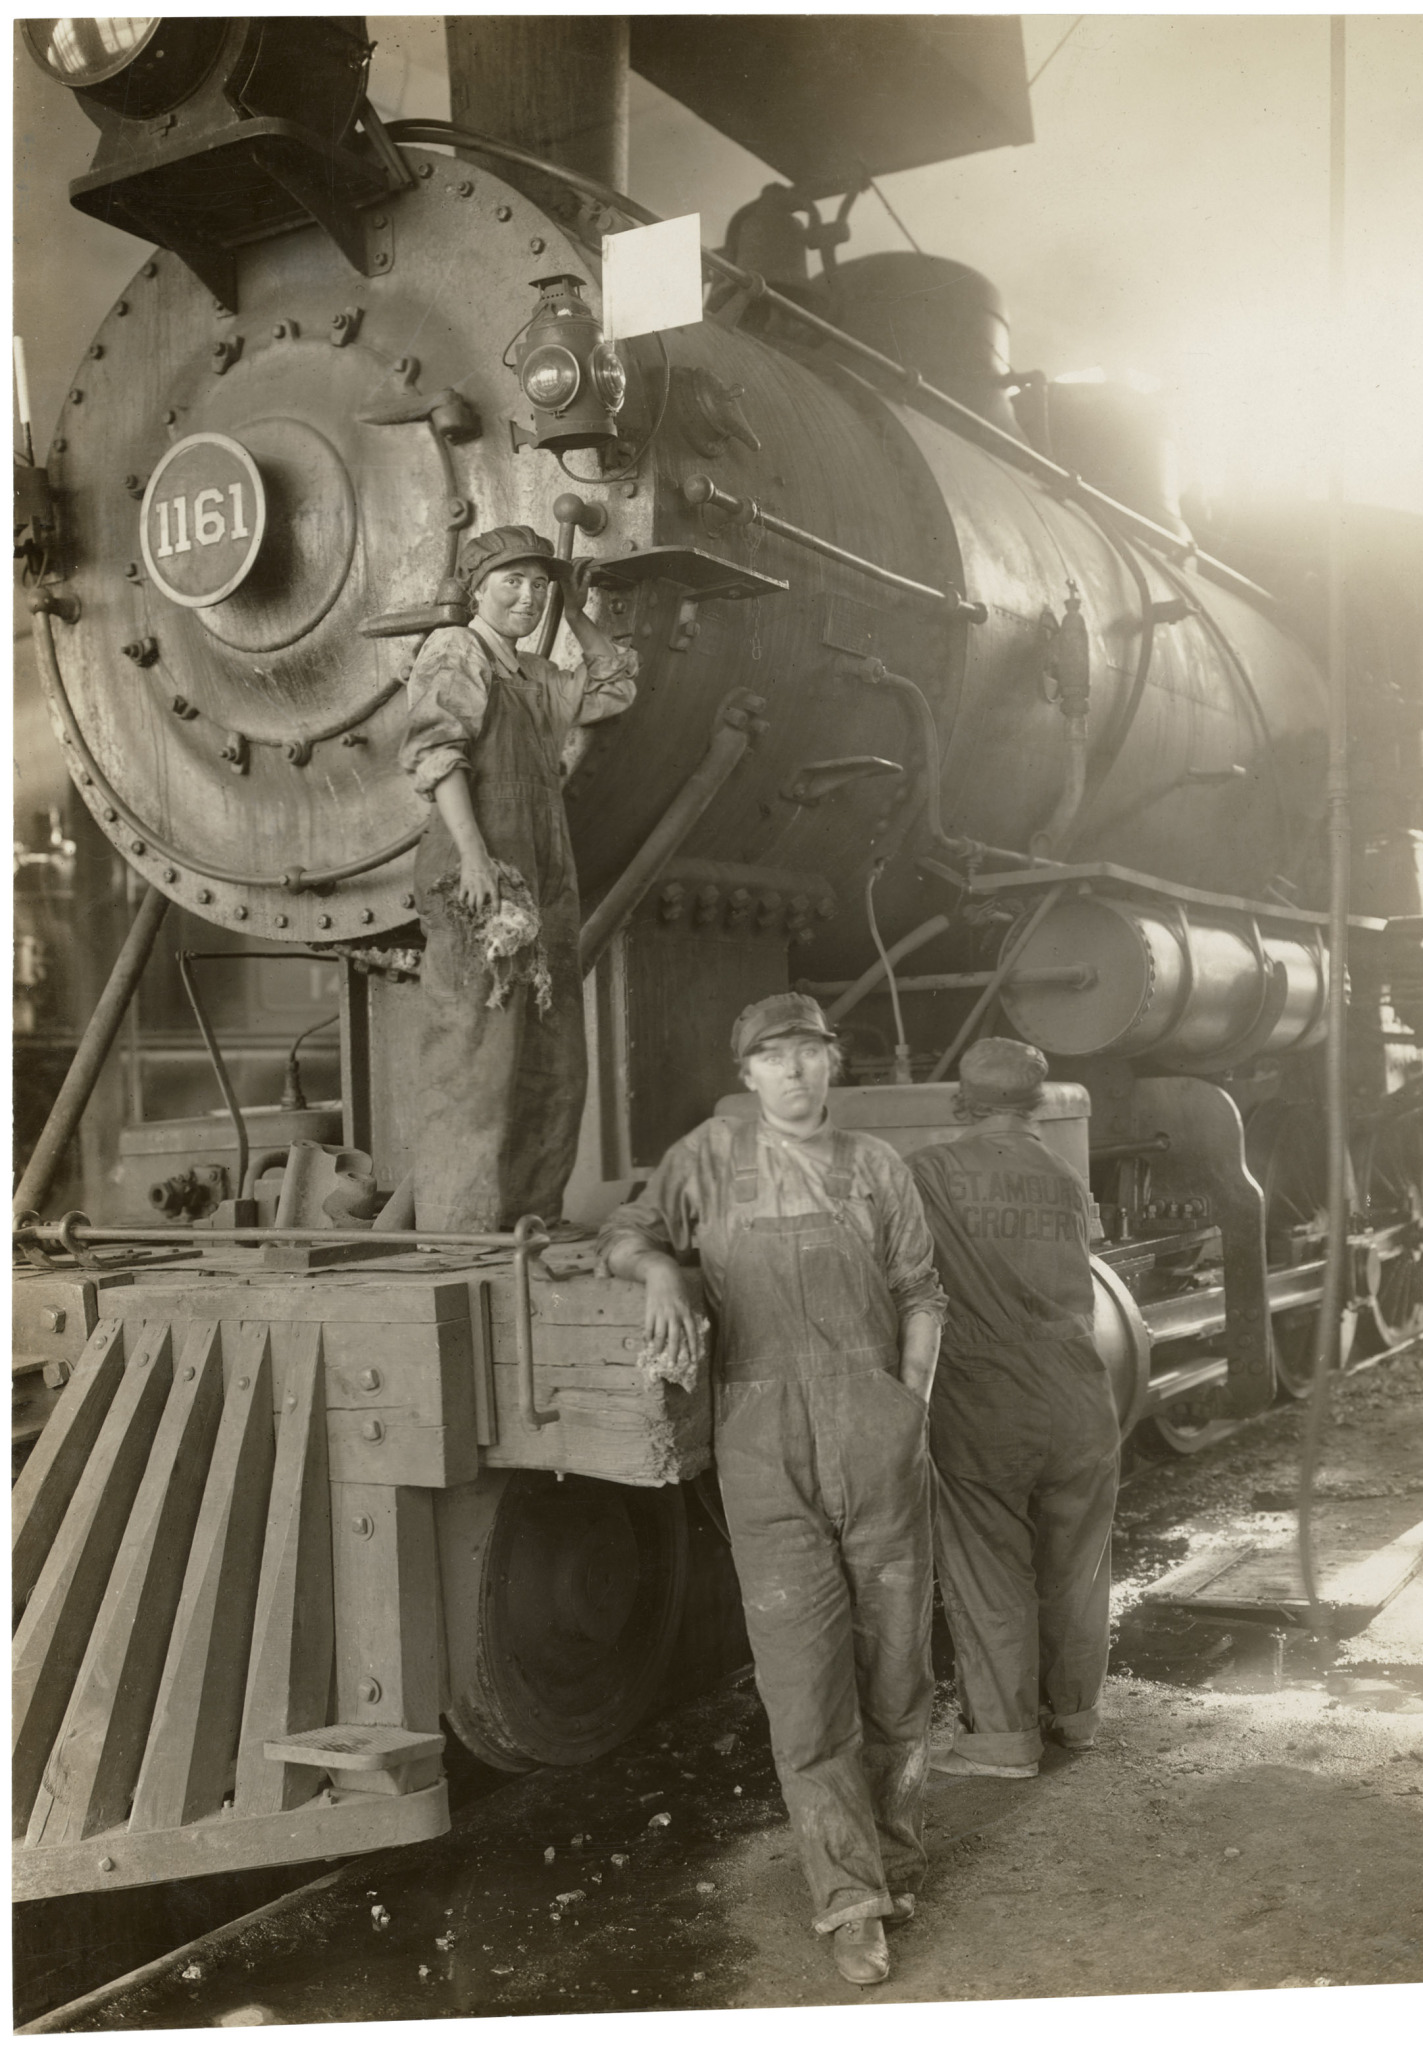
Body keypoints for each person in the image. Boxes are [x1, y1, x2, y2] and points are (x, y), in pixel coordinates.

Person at [598, 994, 946, 1987]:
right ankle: (849, 1898)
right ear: (747, 1074)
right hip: (764, 1448)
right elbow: (624, 1232)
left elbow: (922, 1292)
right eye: (774, 1058)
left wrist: (906, 1406)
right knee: (803, 1689)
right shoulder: (706, 1155)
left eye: (809, 1054)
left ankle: (897, 1860)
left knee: (897, 1676)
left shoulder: (878, 1168)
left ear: (832, 1066)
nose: (794, 1072)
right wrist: (660, 1272)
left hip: (878, 1439)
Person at [400, 525, 638, 1232]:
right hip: (480, 870)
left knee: (552, 1054)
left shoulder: (532, 676)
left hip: (543, 868)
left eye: (539, 585)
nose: (528, 597)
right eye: (513, 582)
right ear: (477, 589)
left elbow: (615, 688)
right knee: (475, 1053)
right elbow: (438, 758)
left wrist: (578, 609)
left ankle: (531, 1215)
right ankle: (463, 1229)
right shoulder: (455, 651)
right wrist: (475, 859)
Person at [906, 1038, 1120, 1777]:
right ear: (1032, 1102)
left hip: (984, 1397)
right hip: (1079, 1391)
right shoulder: (1061, 1177)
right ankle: (1077, 1717)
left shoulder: (925, 1173)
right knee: (1076, 1566)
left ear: (962, 1102)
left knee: (990, 1567)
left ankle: (1000, 1742)